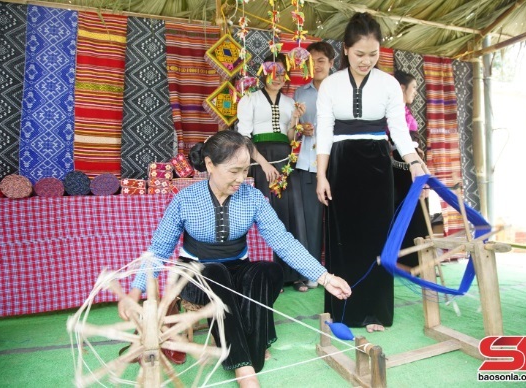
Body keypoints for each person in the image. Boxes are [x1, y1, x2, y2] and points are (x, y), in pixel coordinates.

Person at [118, 130, 352, 388]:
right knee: (215, 274)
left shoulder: (252, 198)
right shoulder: (185, 200)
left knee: (269, 271)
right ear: (210, 165)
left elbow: (283, 241)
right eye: (234, 171)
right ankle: (243, 368)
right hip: (196, 274)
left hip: (236, 268)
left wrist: (325, 277)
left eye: (246, 170)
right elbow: (159, 250)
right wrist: (135, 291)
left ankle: (254, 344)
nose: (242, 178)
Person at [315, 13, 428, 333]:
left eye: (374, 54)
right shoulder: (331, 85)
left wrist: (415, 161)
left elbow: (399, 131)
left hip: (378, 165)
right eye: (360, 54)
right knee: (343, 239)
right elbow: (324, 132)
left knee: (378, 237)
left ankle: (375, 312)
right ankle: (344, 310)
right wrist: (322, 175)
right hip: (341, 163)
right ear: (347, 49)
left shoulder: (389, 84)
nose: (366, 61)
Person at [237, 53, 310, 292]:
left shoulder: (290, 103)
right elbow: (245, 137)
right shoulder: (250, 99)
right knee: (269, 216)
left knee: (292, 214)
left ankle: (294, 274)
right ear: (264, 72)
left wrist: (295, 121)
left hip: (286, 163)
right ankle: (271, 276)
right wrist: (264, 163)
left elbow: (291, 139)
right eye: (274, 72)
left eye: (282, 73)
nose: (278, 78)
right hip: (261, 162)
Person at [292, 42, 336, 288]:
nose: (317, 65)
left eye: (321, 60)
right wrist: (302, 129)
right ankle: (312, 273)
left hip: (335, 163)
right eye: (312, 60)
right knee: (309, 222)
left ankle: (338, 268)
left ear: (331, 63)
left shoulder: (340, 91)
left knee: (337, 221)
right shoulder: (300, 93)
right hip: (308, 163)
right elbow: (294, 130)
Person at [392, 70, 430, 268]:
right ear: (401, 88)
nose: (415, 92)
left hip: (411, 169)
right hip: (400, 172)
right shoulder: (392, 113)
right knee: (405, 210)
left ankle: (418, 259)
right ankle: (405, 259)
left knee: (418, 210)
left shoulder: (406, 113)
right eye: (413, 88)